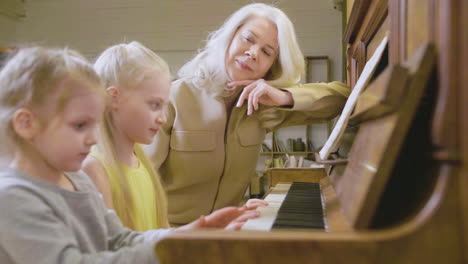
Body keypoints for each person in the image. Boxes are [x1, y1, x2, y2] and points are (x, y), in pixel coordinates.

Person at [0, 46, 253, 264]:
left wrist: (188, 235)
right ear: (26, 123)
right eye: (79, 125)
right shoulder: (13, 197)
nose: (93, 138)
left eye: (93, 124)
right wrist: (177, 250)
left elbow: (120, 240)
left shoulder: (78, 181)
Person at [145, 3, 350, 225]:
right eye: (248, 39)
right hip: (169, 237)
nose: (253, 53)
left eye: (266, 52)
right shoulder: (173, 98)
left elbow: (344, 97)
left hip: (228, 234)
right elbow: (136, 182)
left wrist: (284, 97)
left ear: (271, 67)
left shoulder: (264, 107)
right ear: (229, 38)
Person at [82, 41, 264, 231]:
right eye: (154, 105)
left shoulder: (141, 163)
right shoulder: (94, 169)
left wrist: (212, 228)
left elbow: (158, 236)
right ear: (114, 98)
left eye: (163, 106)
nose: (162, 118)